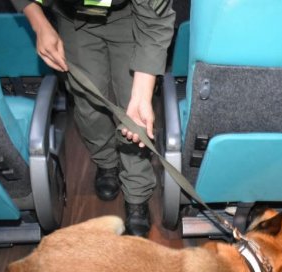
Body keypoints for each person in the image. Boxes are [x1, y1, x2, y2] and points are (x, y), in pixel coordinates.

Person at [10, 0, 175, 236]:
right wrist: (39, 24)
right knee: (89, 106)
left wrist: (141, 95)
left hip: (131, 17)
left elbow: (155, 21)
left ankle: (137, 194)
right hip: (72, 17)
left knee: (133, 115)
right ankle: (106, 162)